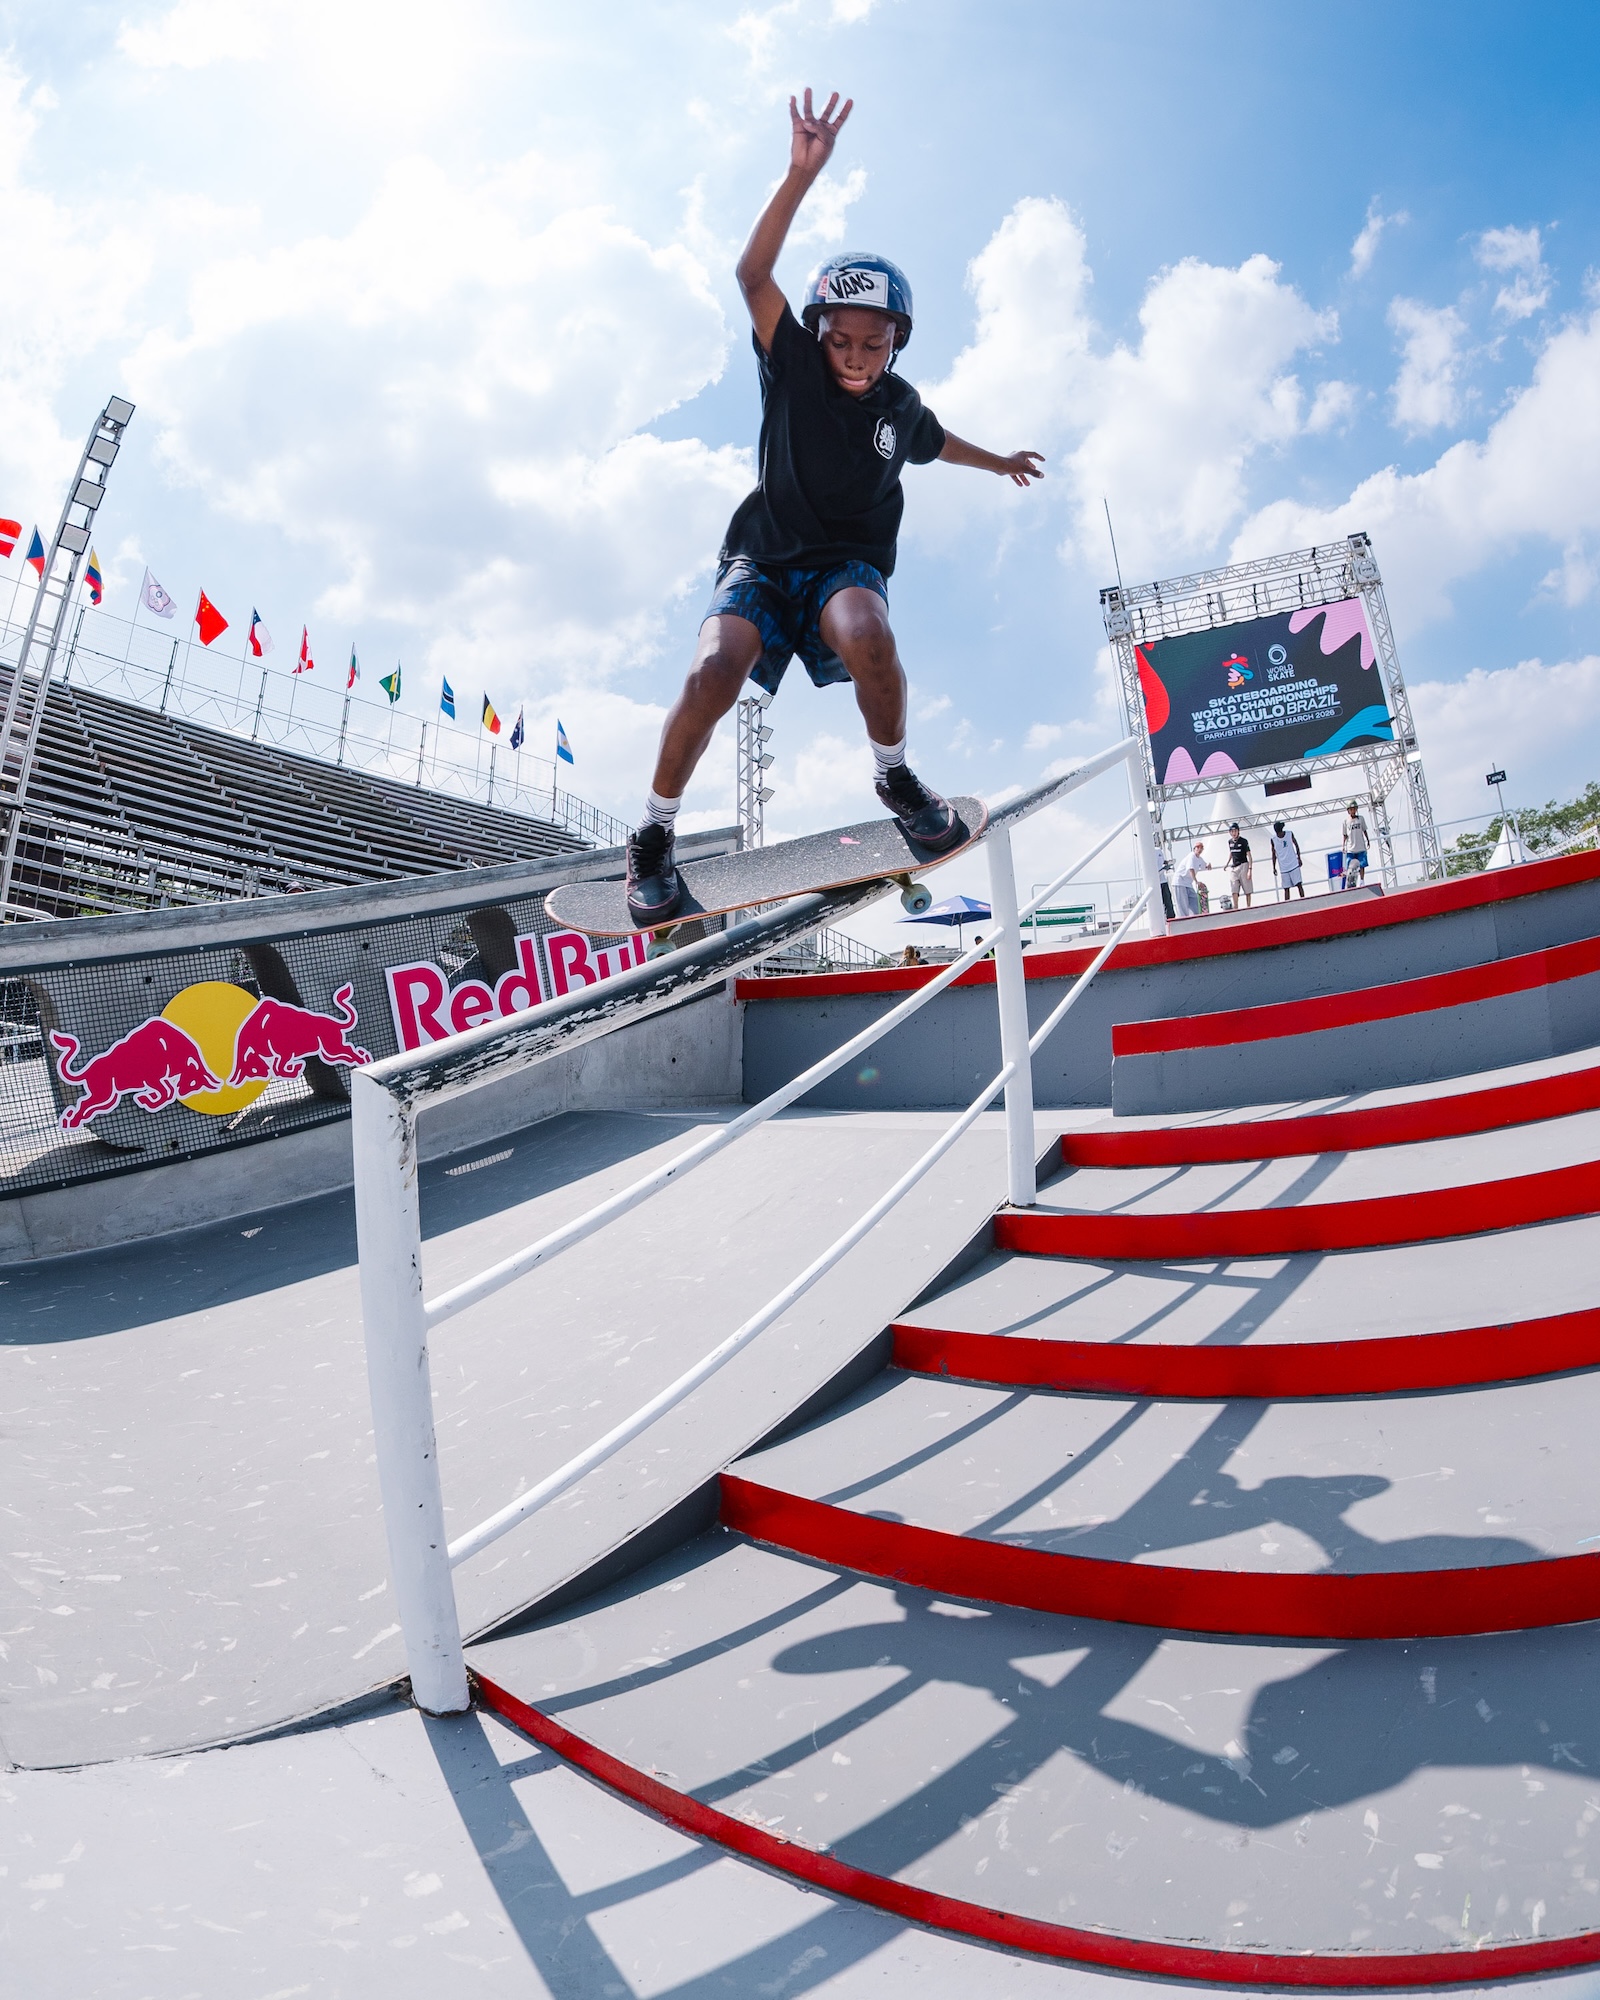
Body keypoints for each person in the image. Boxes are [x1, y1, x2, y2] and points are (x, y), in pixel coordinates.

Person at [624, 89, 1045, 925]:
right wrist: (799, 175)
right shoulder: (794, 367)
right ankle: (654, 836)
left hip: (842, 568)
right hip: (763, 558)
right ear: (819, 334)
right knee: (713, 672)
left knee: (868, 632)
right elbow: (752, 276)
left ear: (898, 343)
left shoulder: (901, 406)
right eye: (842, 339)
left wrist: (997, 462)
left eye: (874, 343)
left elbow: (938, 441)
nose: (855, 356)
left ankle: (892, 771)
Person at [1269, 819, 1305, 900]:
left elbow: (1296, 845)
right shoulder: (1273, 840)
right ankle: (1287, 905)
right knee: (1286, 888)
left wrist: (1299, 858)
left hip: (1293, 864)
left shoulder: (1289, 834)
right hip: (1284, 867)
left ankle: (1304, 900)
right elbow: (1273, 854)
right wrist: (1274, 867)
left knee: (1299, 885)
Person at [1173, 840, 1208, 918]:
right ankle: (1183, 920)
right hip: (1180, 881)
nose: (1199, 849)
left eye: (1201, 847)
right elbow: (1190, 869)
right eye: (1198, 847)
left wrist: (1208, 865)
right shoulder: (1191, 856)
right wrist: (1196, 881)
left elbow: (1204, 865)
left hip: (1188, 883)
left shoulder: (1199, 858)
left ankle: (1195, 917)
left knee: (1194, 900)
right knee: (1183, 905)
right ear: (1194, 848)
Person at [1342, 801, 1371, 889]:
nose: (1353, 811)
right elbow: (1345, 835)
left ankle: (1362, 881)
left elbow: (1364, 830)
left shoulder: (1360, 819)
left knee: (1362, 864)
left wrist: (1368, 840)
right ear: (1348, 810)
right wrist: (1343, 846)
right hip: (1351, 847)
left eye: (1354, 809)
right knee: (1350, 866)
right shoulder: (1345, 821)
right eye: (1351, 809)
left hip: (1361, 846)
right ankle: (1351, 882)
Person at [1225, 821, 1254, 909]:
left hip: (1243, 865)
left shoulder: (1244, 841)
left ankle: (1248, 906)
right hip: (1234, 867)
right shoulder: (1230, 842)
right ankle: (1236, 906)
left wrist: (1250, 869)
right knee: (1234, 887)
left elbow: (1249, 855)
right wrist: (1227, 863)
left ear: (1238, 831)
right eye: (1232, 831)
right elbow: (1231, 852)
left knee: (1247, 888)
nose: (1233, 833)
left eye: (1235, 831)